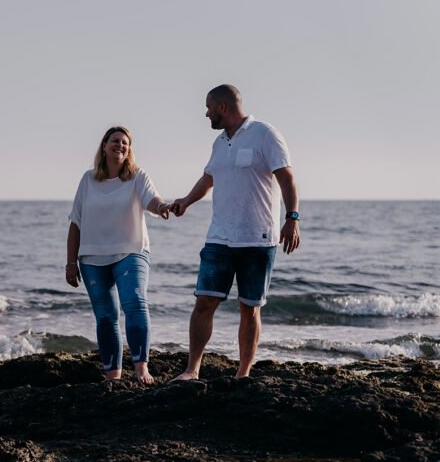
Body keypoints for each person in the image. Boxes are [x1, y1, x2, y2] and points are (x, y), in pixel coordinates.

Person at [170, 84, 300, 380]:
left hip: (257, 238)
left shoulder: (265, 134)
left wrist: (292, 217)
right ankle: (192, 369)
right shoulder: (219, 143)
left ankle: (243, 373)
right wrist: (186, 202)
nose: (206, 114)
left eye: (208, 107)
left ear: (223, 107)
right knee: (204, 302)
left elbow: (287, 179)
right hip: (219, 236)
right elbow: (208, 178)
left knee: (249, 308)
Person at [66, 126, 170, 385]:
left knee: (134, 302)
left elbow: (152, 201)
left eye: (125, 143)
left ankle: (141, 368)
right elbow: (75, 223)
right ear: (104, 145)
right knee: (105, 316)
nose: (120, 145)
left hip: (131, 251)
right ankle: (113, 374)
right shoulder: (88, 180)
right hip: (91, 257)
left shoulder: (137, 177)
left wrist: (163, 207)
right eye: (115, 141)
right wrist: (70, 263)